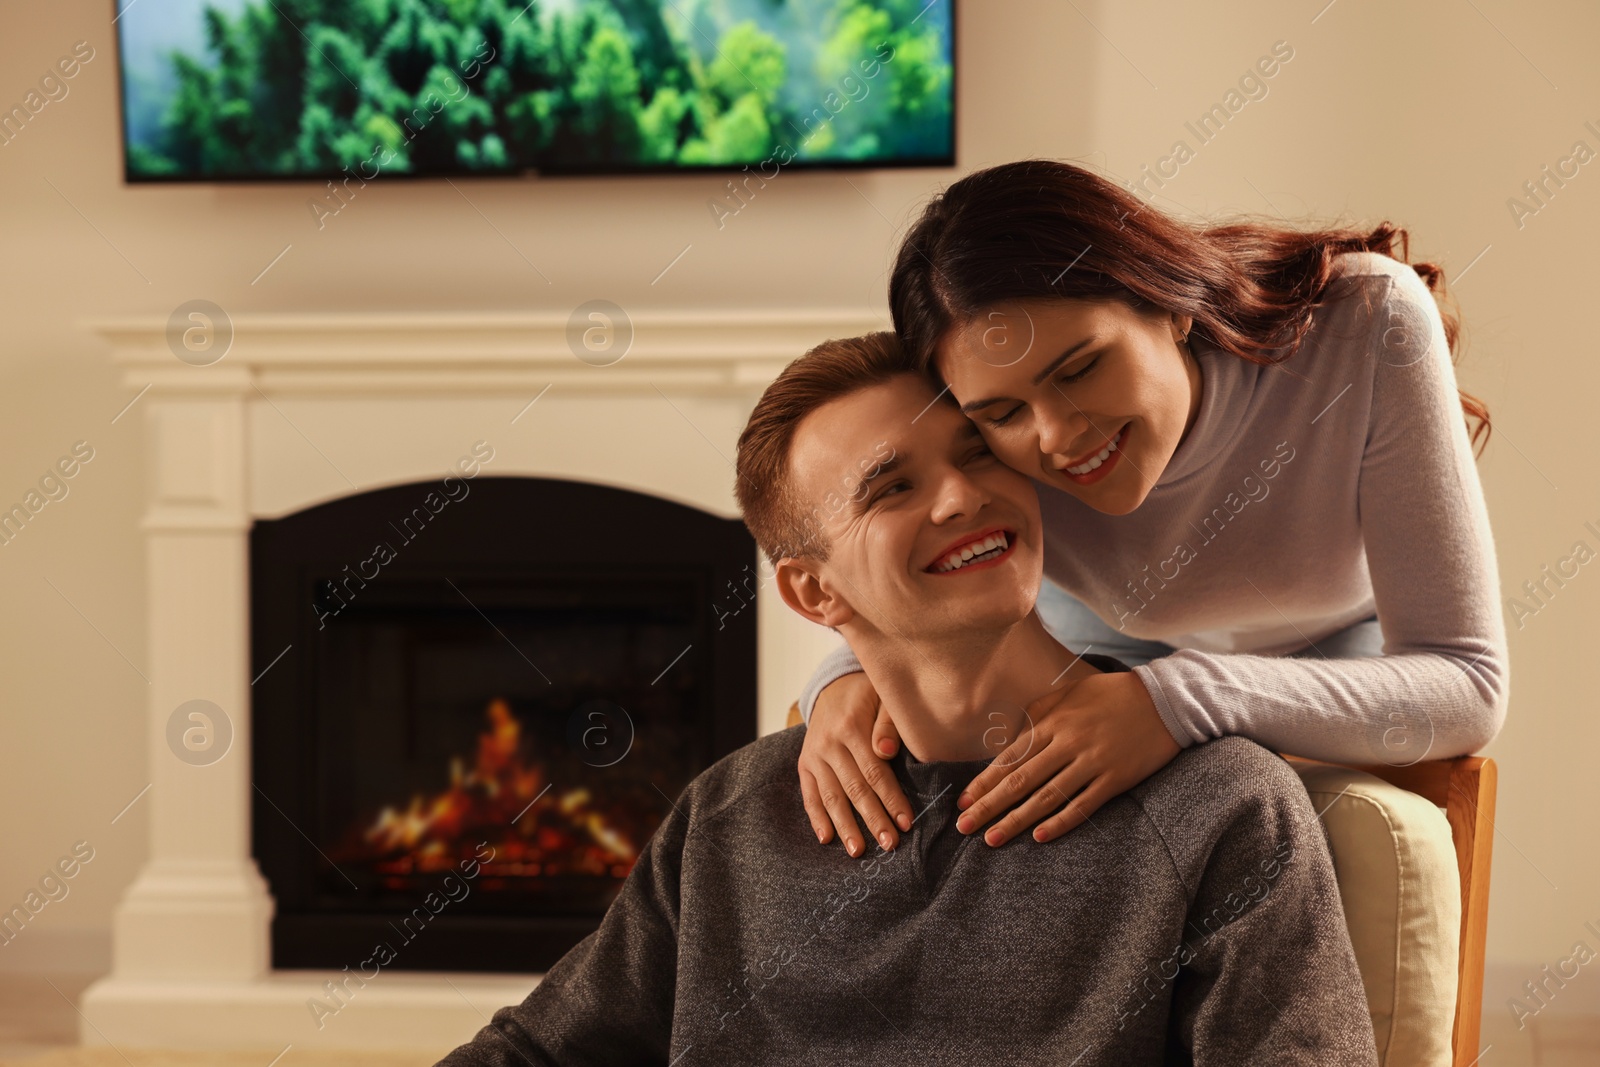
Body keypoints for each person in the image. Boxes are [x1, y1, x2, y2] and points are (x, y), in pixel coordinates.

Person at [436, 333, 1378, 1066]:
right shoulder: (735, 812)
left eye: (980, 453)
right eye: (892, 486)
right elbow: (538, 1052)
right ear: (814, 593)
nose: (963, 497)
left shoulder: (1221, 809)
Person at [794, 158, 1509, 859]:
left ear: (1169, 305)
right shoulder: (992, 441)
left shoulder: (1365, 323)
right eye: (1004, 412)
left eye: (1080, 369)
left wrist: (1176, 698)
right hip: (1094, 644)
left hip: (1330, 646)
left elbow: (1468, 682)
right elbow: (917, 551)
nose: (1059, 436)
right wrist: (846, 674)